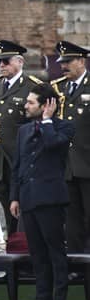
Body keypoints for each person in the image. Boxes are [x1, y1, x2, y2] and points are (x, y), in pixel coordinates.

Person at [11, 84, 74, 300]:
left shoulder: (63, 127)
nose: (25, 106)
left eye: (30, 102)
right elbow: (17, 166)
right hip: (28, 199)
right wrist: (14, 197)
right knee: (37, 254)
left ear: (46, 105)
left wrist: (47, 121)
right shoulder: (23, 131)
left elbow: (53, 145)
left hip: (50, 200)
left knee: (55, 252)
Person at [0, 40, 41, 237]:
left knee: (25, 208)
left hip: (23, 159)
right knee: (5, 202)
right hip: (1, 160)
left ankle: (26, 250)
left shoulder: (32, 87)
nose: (1, 66)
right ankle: (13, 247)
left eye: (6, 61)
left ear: (19, 62)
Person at [53, 41, 90, 255]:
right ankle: (77, 264)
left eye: (68, 61)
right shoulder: (61, 89)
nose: (63, 66)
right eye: (62, 62)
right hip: (68, 167)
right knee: (73, 219)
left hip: (88, 164)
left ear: (81, 61)